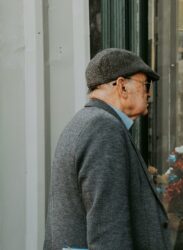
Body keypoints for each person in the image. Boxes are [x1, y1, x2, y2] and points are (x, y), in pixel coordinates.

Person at [43, 48, 171, 250]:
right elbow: (108, 228)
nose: (148, 93)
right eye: (145, 85)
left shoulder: (84, 122)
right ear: (122, 87)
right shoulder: (104, 128)